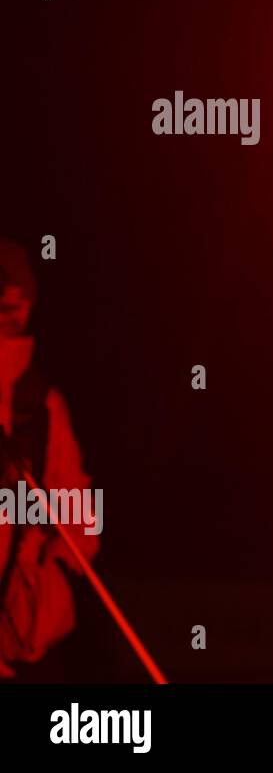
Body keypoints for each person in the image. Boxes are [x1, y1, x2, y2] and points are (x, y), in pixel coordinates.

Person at [0, 239, 98, 680]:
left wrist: (48, 597)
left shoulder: (42, 408)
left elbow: (79, 521)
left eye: (18, 293)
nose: (10, 301)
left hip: (19, 653)